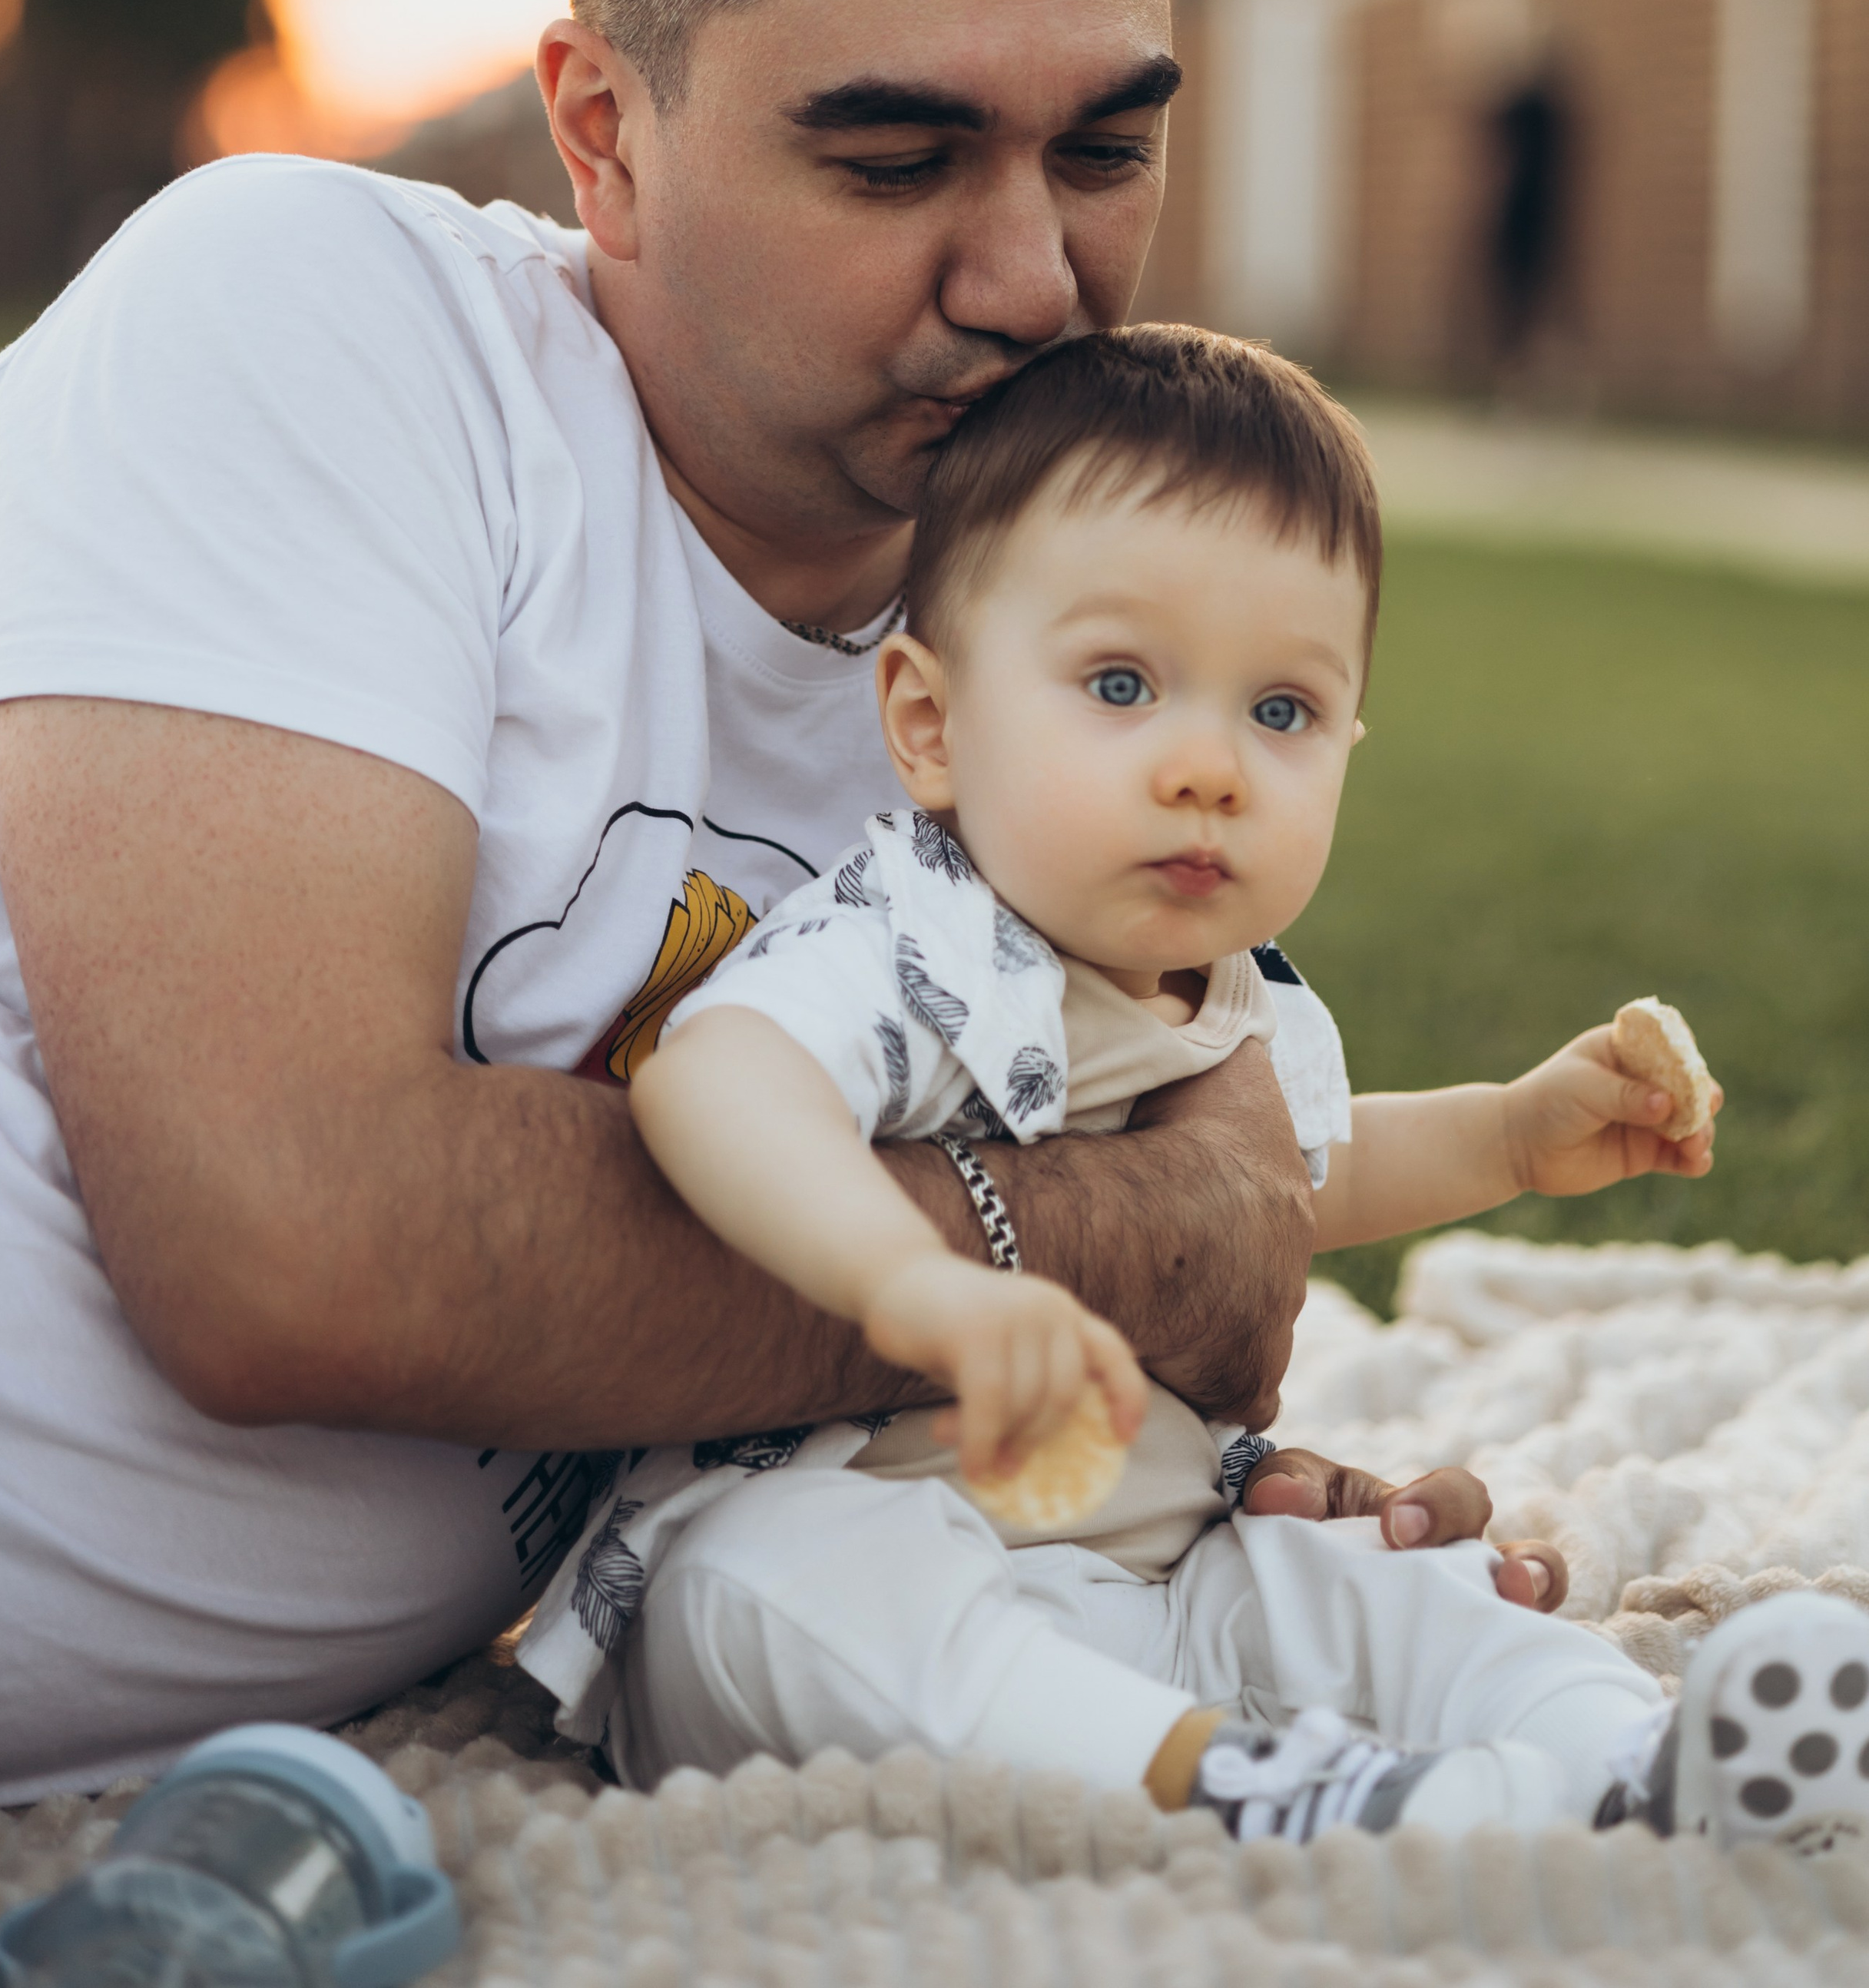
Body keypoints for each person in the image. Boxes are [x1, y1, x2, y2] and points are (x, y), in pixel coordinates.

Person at [0, 0, 1683, 1811]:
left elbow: (1121, 1249)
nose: (1035, 279)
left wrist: (1133, 1502)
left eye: (1104, 150)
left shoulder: (1029, 707)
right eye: (894, 159)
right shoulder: (321, 328)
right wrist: (1114, 1254)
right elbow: (293, 1242)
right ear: (602, 136)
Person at [517, 327, 1712, 1833]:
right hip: (875, 1558)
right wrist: (912, 1276)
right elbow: (716, 1080)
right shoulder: (914, 936)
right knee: (760, 1585)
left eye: (1277, 712)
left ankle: (1625, 1757)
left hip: (1157, 1575)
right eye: (1122, 683)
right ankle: (1239, 1787)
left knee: (1382, 1583)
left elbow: (1296, 1183)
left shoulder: (1235, 997)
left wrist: (1510, 1137)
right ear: (930, 723)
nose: (1207, 765)